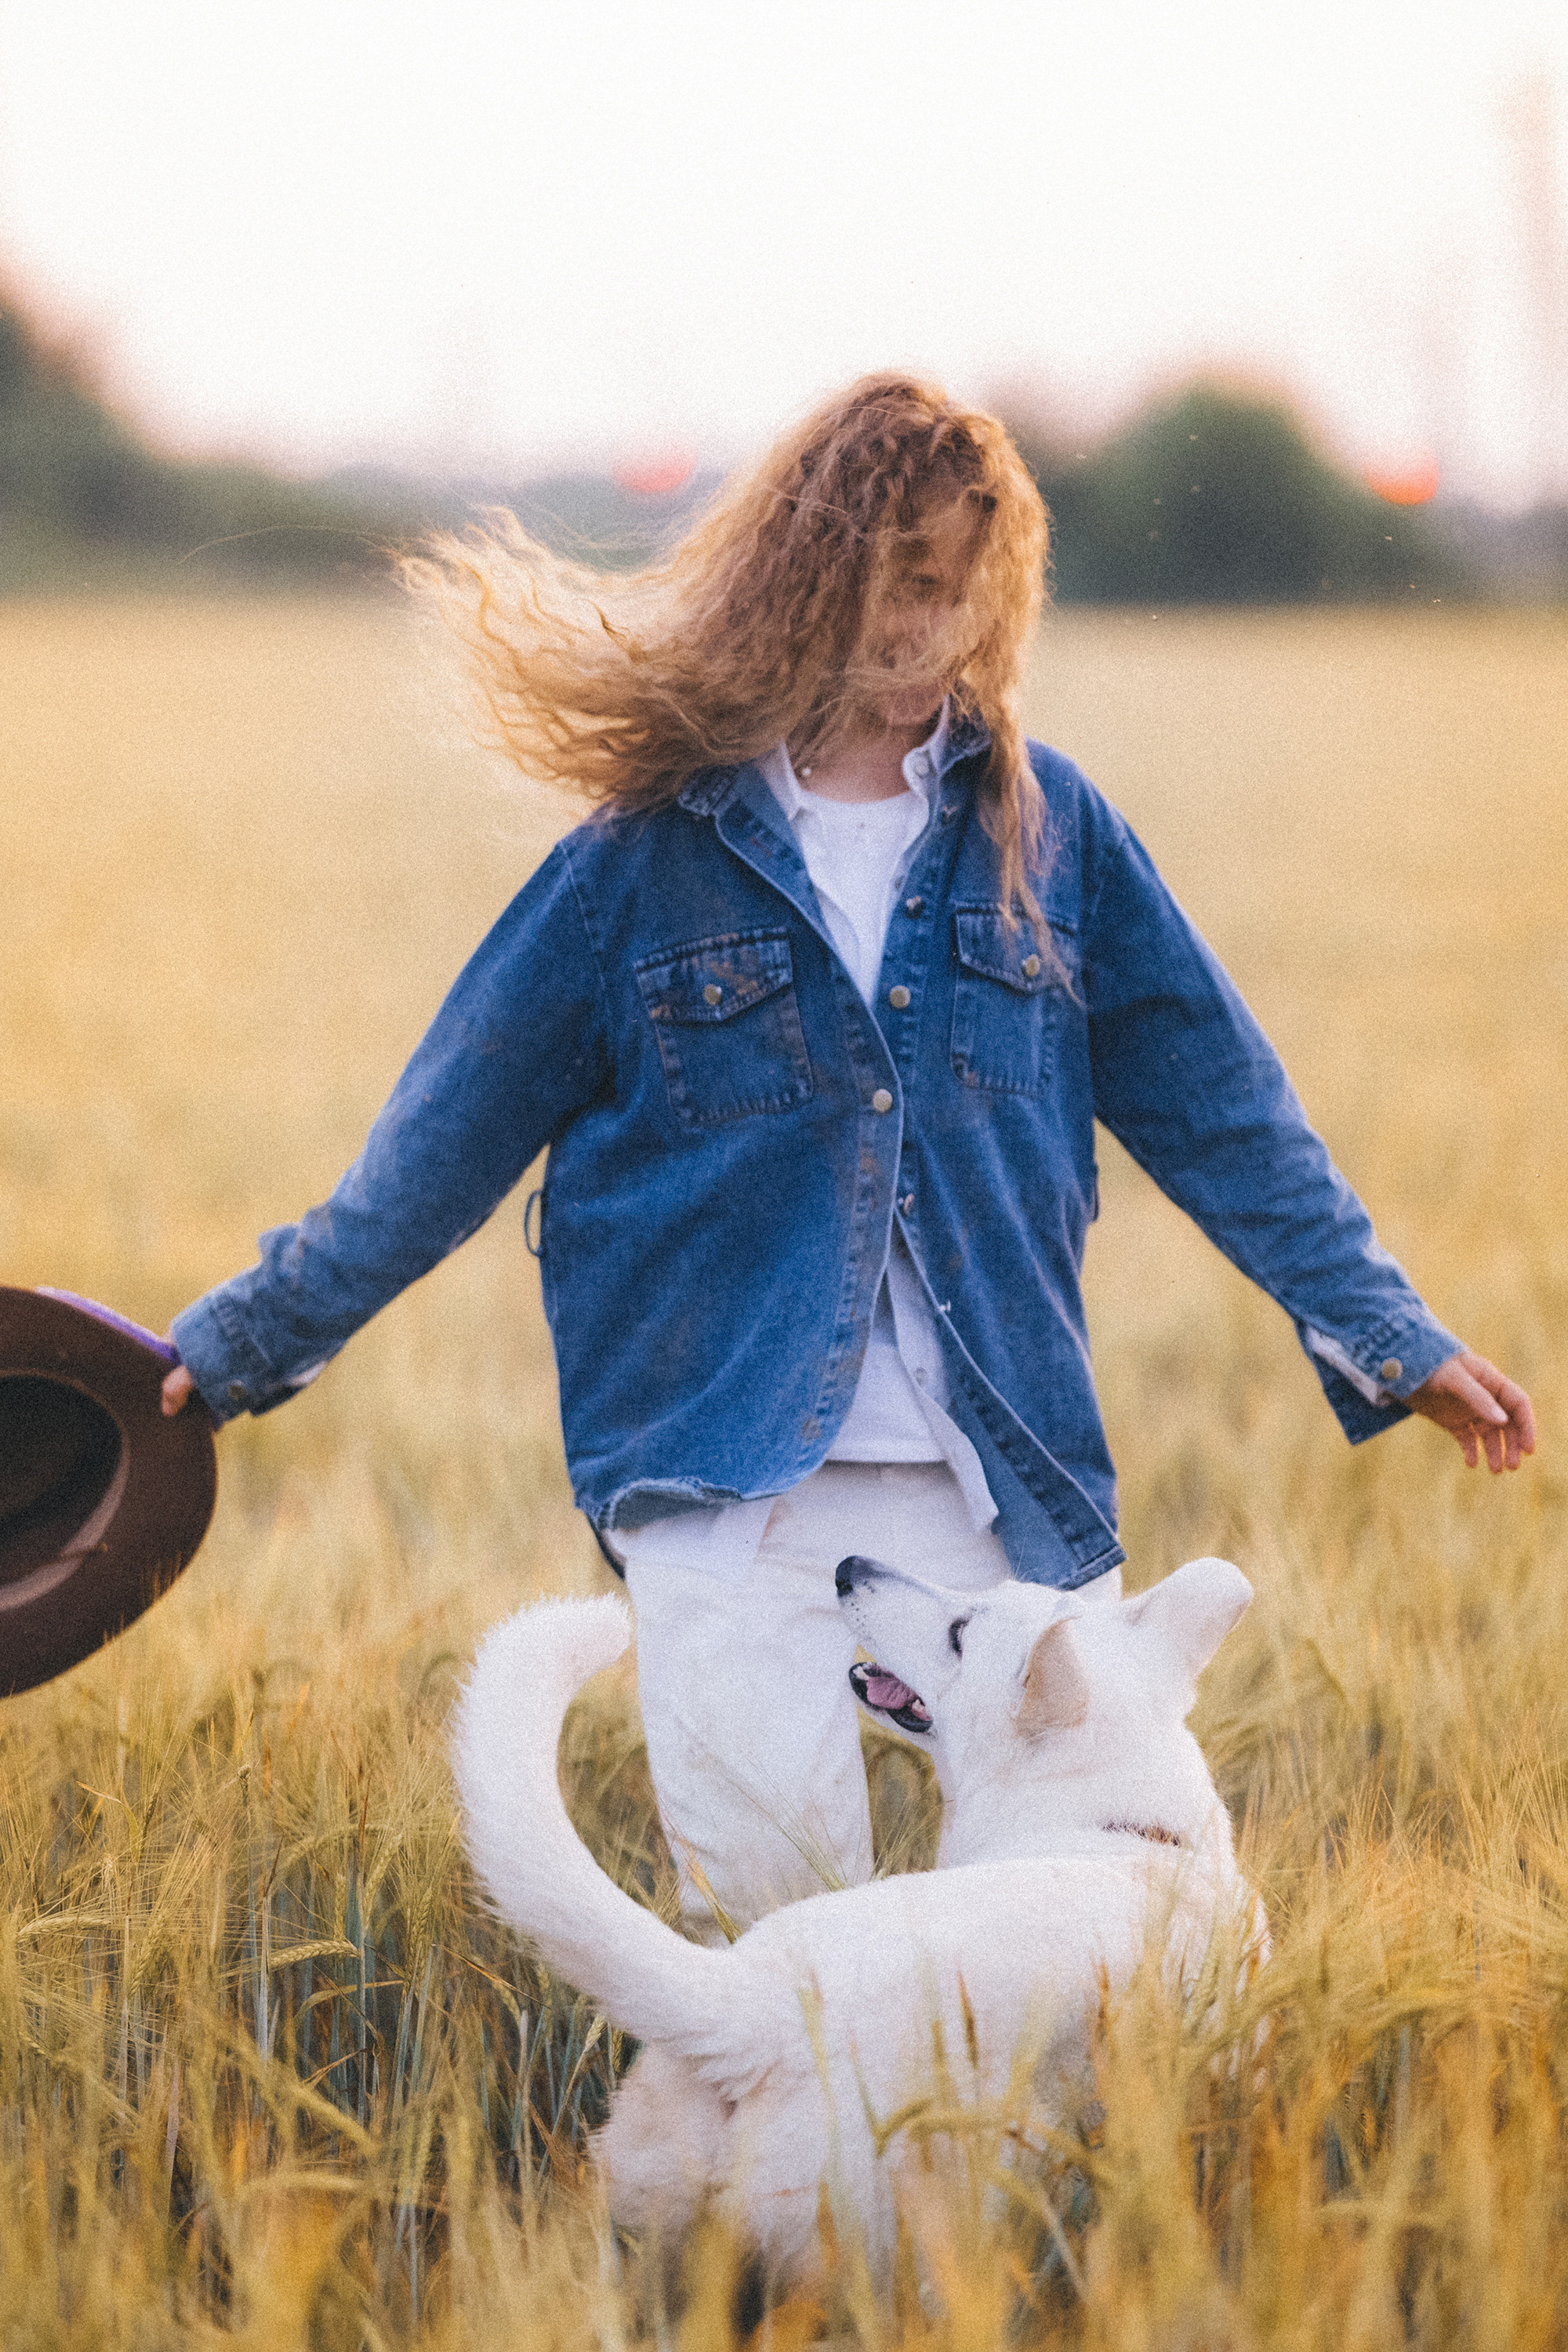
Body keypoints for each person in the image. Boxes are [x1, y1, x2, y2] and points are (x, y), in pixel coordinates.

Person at [161, 373, 1534, 1939]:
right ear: (804, 581)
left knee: (1109, 1924)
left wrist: (1391, 1334)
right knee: (779, 1936)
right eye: (899, 584)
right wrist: (244, 1343)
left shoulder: (1048, 837)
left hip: (992, 1480)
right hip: (725, 1478)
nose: (931, 632)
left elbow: (1226, 1109)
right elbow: (438, 1141)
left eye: (963, 590)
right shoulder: (644, 861)